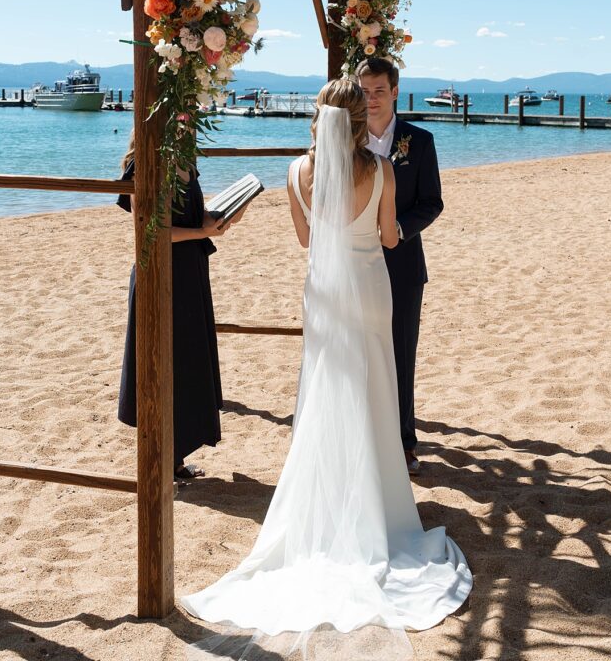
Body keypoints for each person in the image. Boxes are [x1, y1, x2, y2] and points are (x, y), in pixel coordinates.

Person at [182, 79, 471, 658]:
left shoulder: (295, 172)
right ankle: (376, 503)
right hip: (369, 290)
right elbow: (390, 238)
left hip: (323, 296)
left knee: (325, 390)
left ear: (318, 118)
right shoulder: (381, 170)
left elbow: (306, 240)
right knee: (373, 389)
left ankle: (331, 499)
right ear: (359, 119)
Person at [117, 131, 244, 480]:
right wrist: (204, 232)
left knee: (187, 361)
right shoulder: (144, 164)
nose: (190, 115)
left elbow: (192, 216)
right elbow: (150, 231)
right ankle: (160, 461)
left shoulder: (186, 159)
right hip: (160, 273)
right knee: (162, 363)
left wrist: (222, 218)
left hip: (191, 271)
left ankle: (174, 459)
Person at [356, 57, 444, 475]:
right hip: (355, 263)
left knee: (400, 353)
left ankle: (404, 443)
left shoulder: (420, 141)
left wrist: (398, 230)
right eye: (364, 92)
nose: (371, 100)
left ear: (394, 92)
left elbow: (432, 202)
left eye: (379, 91)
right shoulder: (346, 138)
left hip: (403, 264)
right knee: (358, 352)